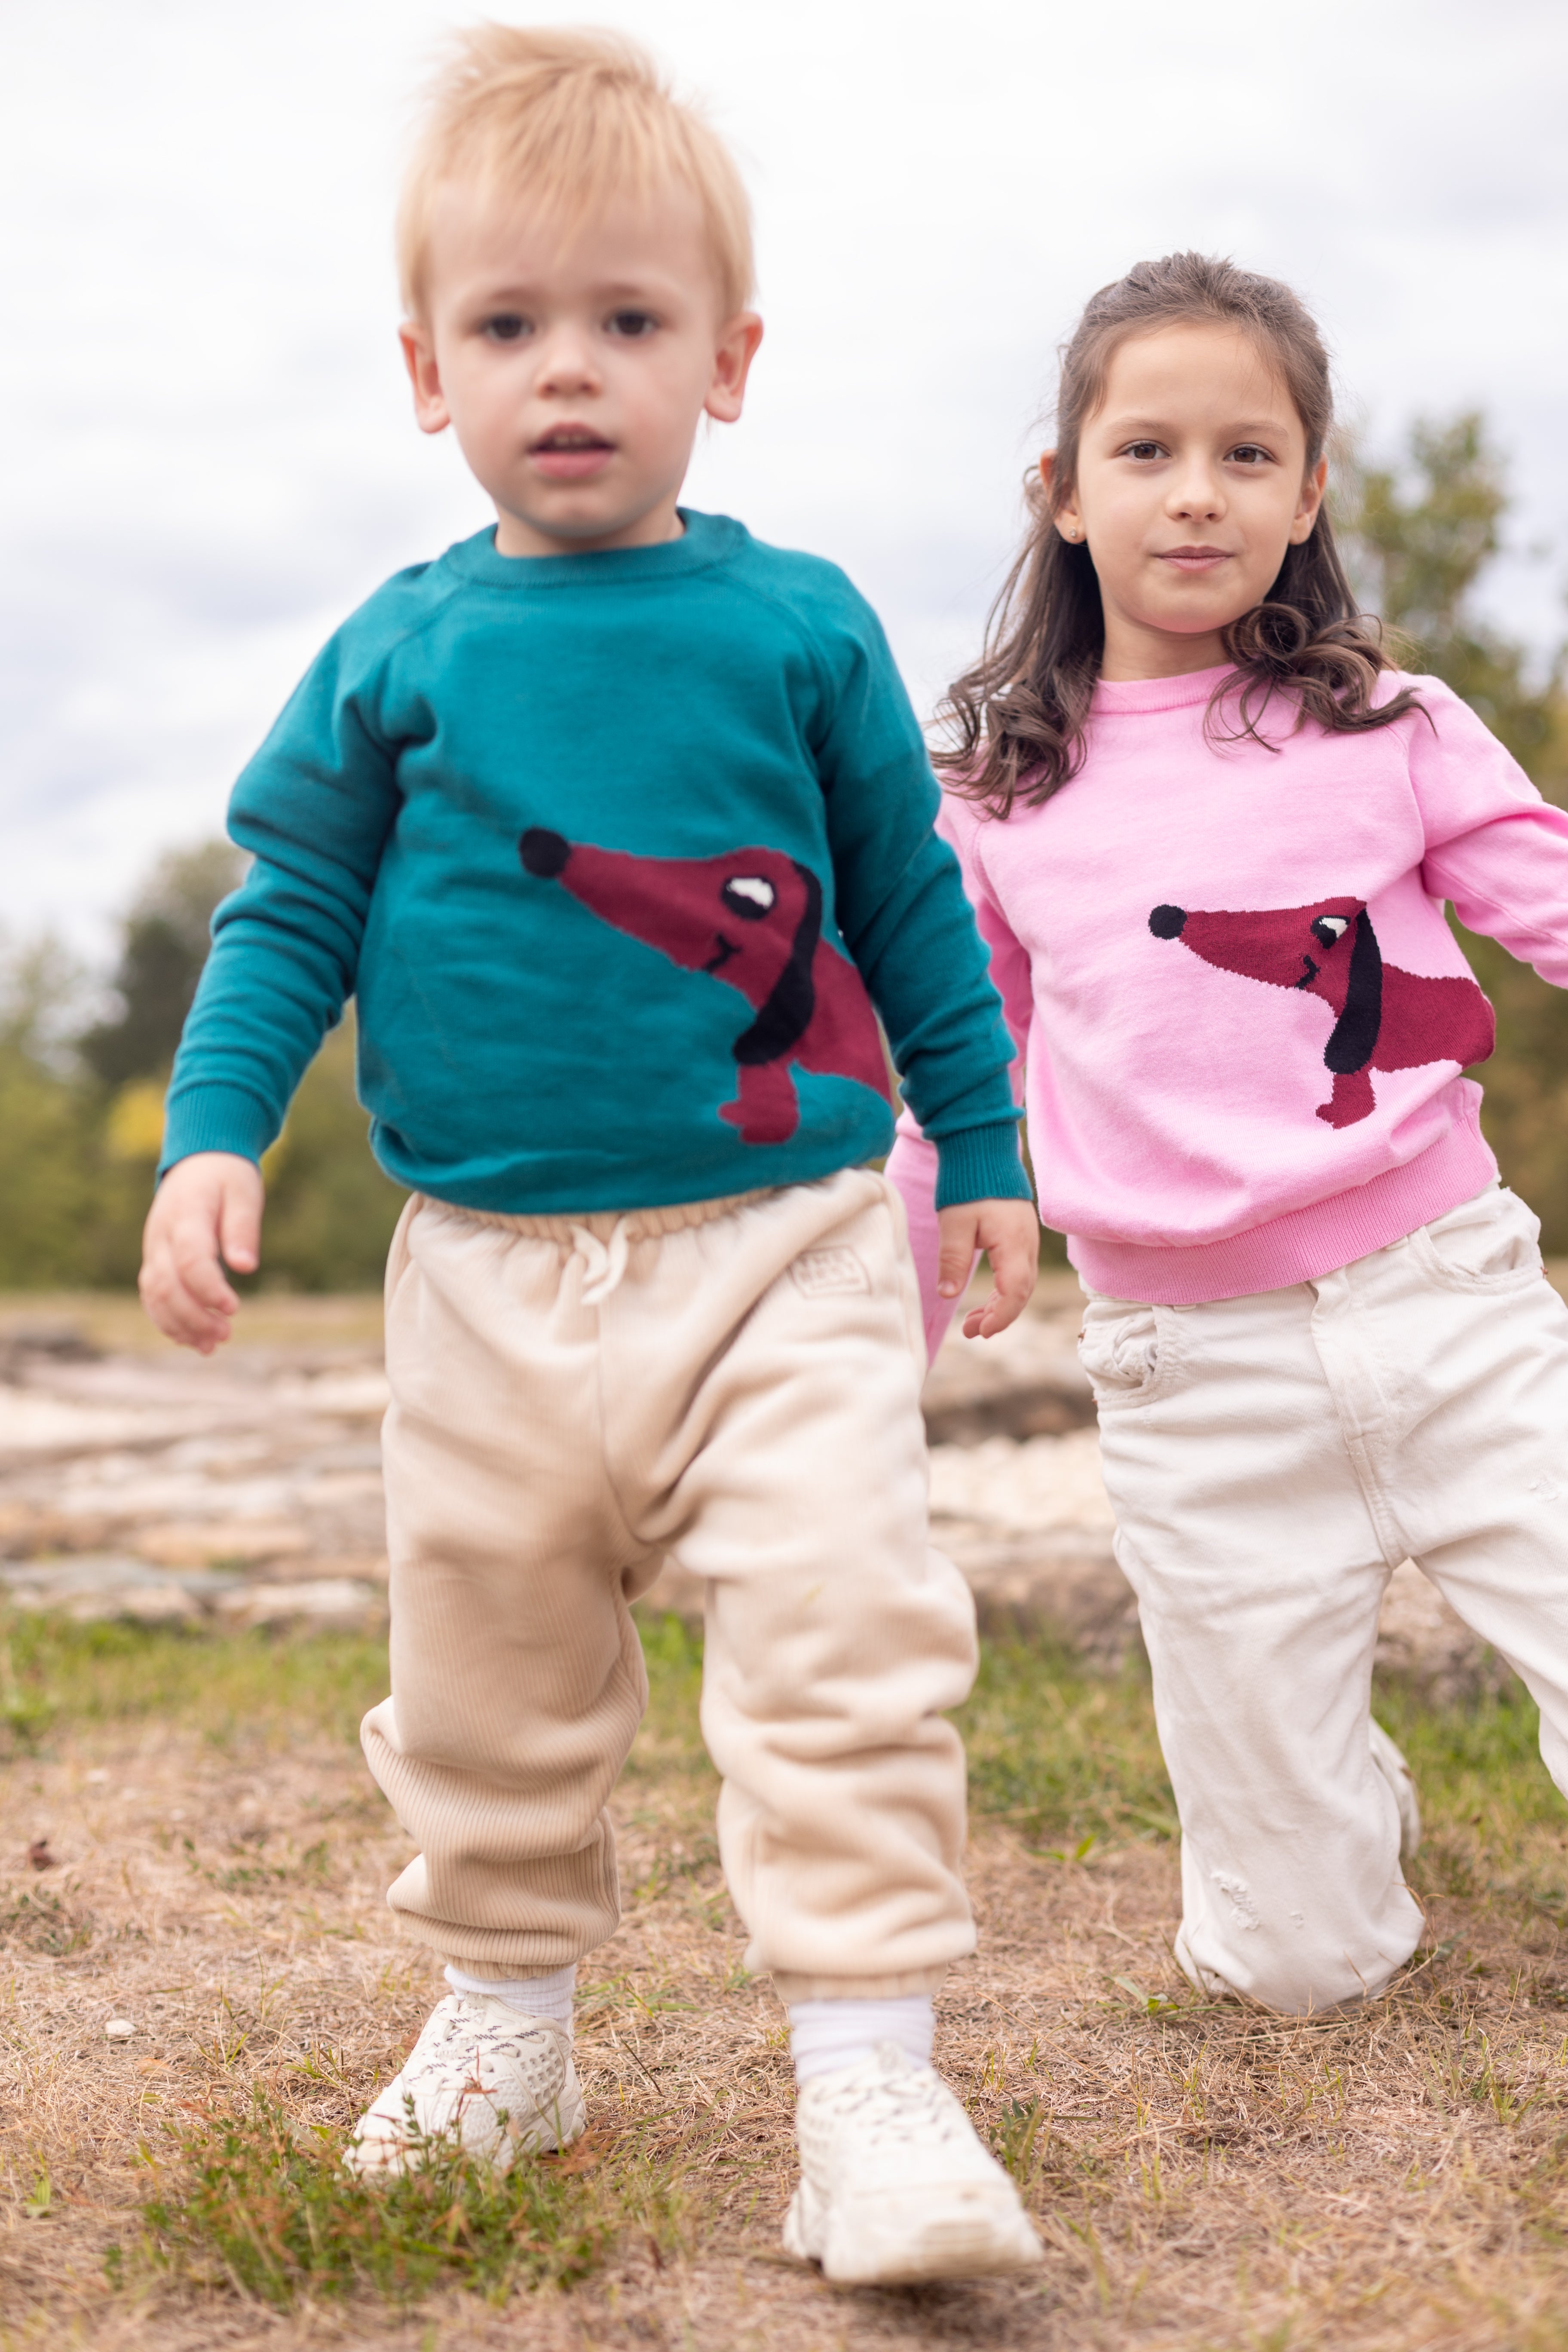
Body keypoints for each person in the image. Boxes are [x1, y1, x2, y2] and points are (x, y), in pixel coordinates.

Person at [137, 23, 1044, 2286]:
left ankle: (871, 2081)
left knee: (847, 1633)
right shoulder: (398, 650)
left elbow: (912, 903)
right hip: (480, 1273)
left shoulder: (798, 624)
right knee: (486, 1662)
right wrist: (210, 1134)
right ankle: (503, 2022)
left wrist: (989, 1145)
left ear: (726, 361)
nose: (572, 369)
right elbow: (292, 906)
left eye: (629, 321)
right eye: (512, 325)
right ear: (424, 368)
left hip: (792, 1241)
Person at [889, 249, 1568, 2018]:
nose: (1198, 493)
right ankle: (1326, 1833)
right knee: (1294, 1972)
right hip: (1194, 1377)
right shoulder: (994, 796)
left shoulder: (1391, 727)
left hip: (1452, 1304)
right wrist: (881, 1354)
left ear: (1309, 491)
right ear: (1063, 492)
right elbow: (951, 1079)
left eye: (1249, 455)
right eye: (1148, 451)